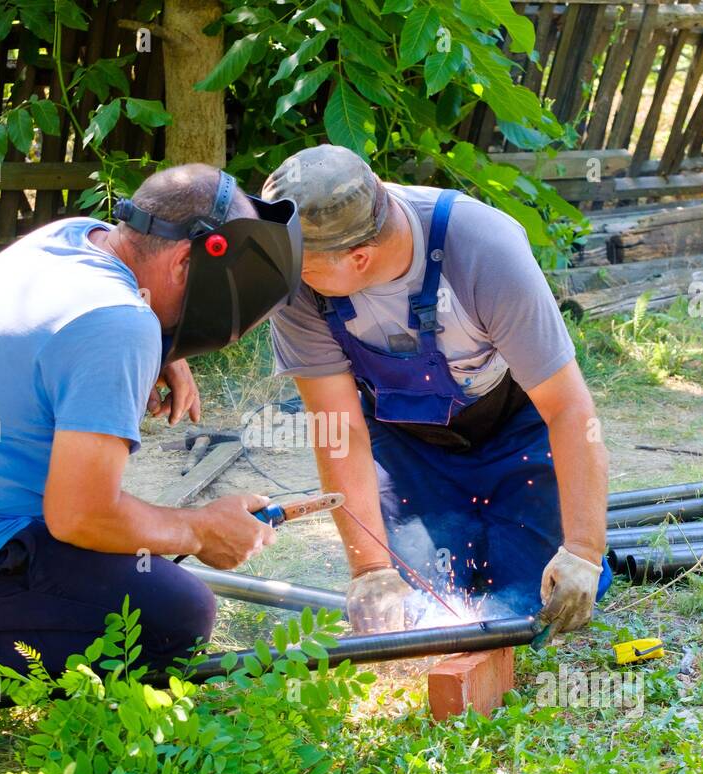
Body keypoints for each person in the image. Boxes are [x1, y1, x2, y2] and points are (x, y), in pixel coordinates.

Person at [0, 163, 302, 688]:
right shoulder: (117, 322)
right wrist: (202, 529)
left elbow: (72, 328)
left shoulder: (72, 238)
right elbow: (81, 517)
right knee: (173, 615)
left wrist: (161, 347)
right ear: (186, 260)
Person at [260, 145, 611, 636]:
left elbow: (569, 409)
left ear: (358, 256)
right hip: (405, 447)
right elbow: (339, 428)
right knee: (420, 605)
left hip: (516, 434)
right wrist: (370, 571)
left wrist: (584, 552)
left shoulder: (485, 251)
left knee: (530, 600)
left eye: (301, 268)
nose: (285, 279)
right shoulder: (297, 287)